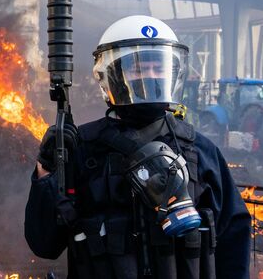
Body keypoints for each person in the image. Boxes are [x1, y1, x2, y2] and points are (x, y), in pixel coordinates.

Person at [25, 15, 251, 278]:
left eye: (159, 68)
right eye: (138, 68)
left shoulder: (201, 152)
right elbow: (45, 245)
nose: (150, 77)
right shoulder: (83, 148)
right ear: (112, 75)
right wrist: (46, 174)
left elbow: (234, 246)